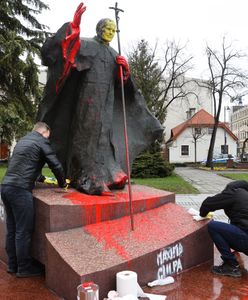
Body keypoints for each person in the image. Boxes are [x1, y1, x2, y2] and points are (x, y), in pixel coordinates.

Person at [37, 3, 163, 195]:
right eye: (108, 29)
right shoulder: (88, 44)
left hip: (108, 99)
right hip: (88, 98)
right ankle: (86, 176)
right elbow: (67, 53)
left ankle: (108, 174)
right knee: (87, 135)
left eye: (114, 30)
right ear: (99, 29)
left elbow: (122, 86)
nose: (111, 32)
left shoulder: (114, 54)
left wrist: (125, 72)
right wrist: (74, 27)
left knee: (104, 136)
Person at [1, 122, 67, 277]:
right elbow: (55, 165)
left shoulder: (22, 141)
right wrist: (63, 183)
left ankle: (12, 265)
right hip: (20, 191)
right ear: (44, 132)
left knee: (12, 229)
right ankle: (24, 268)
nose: (48, 139)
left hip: (5, 187)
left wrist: (41, 178)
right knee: (23, 231)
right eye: (48, 137)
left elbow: (23, 166)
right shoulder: (41, 141)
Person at [199, 180, 248, 277]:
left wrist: (202, 215)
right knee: (232, 229)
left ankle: (231, 265)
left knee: (214, 226)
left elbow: (207, 203)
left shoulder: (235, 193)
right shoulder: (244, 196)